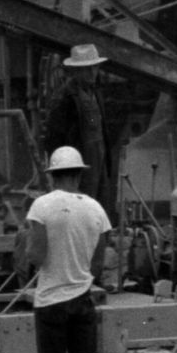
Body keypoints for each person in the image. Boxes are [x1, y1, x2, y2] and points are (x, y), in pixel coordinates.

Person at [16, 145, 119, 353]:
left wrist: (26, 252)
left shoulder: (41, 206)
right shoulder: (96, 209)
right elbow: (98, 264)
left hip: (50, 303)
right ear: (78, 175)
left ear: (52, 176)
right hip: (83, 300)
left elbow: (36, 255)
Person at [39, 45, 114, 223]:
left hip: (99, 159)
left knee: (100, 205)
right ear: (76, 71)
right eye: (86, 69)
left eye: (94, 67)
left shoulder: (95, 93)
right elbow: (53, 137)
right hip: (78, 162)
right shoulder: (64, 97)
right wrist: (62, 170)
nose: (92, 72)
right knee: (80, 208)